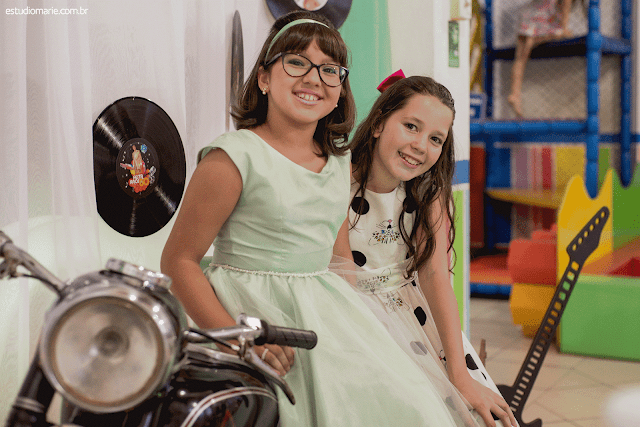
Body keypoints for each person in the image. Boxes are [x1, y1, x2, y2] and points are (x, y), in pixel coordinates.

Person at [161, 10, 476, 427]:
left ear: (340, 89)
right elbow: (178, 261)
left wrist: (360, 338)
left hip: (323, 317)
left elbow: (340, 264)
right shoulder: (232, 158)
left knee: (413, 405)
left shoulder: (337, 164)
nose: (314, 78)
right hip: (248, 314)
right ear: (264, 78)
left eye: (330, 70)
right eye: (297, 62)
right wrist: (237, 339)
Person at [346, 71, 518, 427]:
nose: (421, 146)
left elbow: (436, 274)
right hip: (354, 315)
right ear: (378, 124)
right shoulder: (336, 181)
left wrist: (459, 373)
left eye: (436, 138)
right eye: (411, 126)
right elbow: (340, 280)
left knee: (475, 411)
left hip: (413, 314)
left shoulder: (427, 192)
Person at [507, 0, 576, 117]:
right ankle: (534, 39)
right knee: (560, 33)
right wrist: (564, 28)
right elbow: (565, 9)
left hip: (527, 20)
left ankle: (515, 94)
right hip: (540, 23)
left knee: (520, 59)